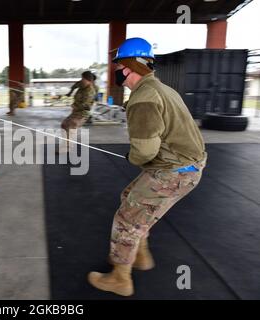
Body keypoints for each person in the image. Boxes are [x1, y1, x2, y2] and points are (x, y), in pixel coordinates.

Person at [87, 37, 207, 296]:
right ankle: (138, 255)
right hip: (183, 166)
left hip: (174, 171)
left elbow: (144, 152)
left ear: (129, 68)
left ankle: (121, 278)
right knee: (130, 198)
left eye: (119, 67)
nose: (117, 72)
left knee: (127, 219)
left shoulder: (144, 98)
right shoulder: (162, 89)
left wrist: (133, 156)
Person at [59, 71, 96, 152]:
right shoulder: (82, 84)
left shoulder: (90, 91)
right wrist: (70, 92)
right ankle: (66, 145)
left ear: (89, 80)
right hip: (75, 112)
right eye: (82, 78)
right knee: (64, 125)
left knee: (71, 125)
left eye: (83, 79)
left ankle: (67, 147)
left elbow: (87, 106)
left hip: (83, 114)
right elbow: (75, 85)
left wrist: (75, 106)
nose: (81, 80)